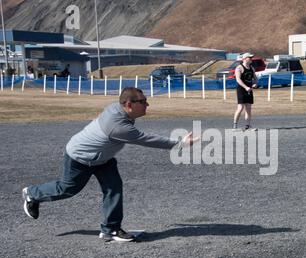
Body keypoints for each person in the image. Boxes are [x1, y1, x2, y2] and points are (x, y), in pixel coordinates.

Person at [22, 87, 197, 242]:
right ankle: (32, 194)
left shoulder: (116, 108)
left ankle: (110, 229)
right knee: (67, 189)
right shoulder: (119, 127)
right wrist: (180, 143)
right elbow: (147, 140)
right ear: (128, 104)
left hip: (102, 159)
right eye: (143, 102)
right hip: (80, 157)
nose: (147, 104)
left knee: (113, 188)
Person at [233, 52, 258, 131]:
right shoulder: (239, 68)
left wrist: (255, 84)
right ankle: (235, 126)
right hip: (241, 89)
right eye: (249, 58)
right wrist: (246, 87)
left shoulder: (252, 68)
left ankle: (247, 126)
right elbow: (238, 79)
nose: (251, 59)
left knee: (248, 108)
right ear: (244, 59)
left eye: (251, 58)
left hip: (249, 90)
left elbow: (255, 78)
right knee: (240, 108)